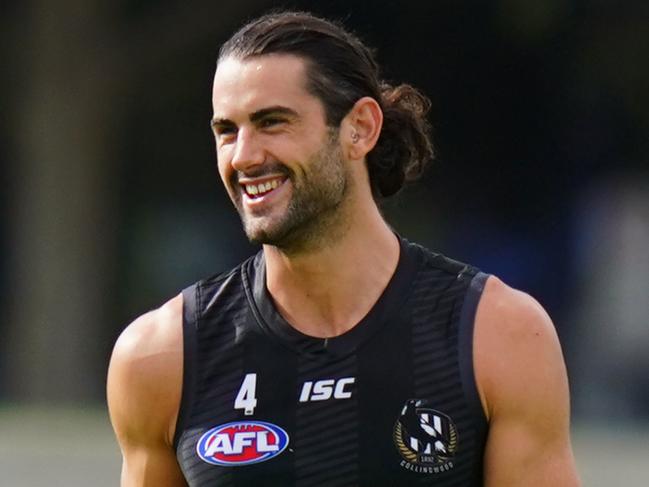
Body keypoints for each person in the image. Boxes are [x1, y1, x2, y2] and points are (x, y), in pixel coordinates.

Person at [107, 11, 580, 487]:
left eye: (272, 122)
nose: (244, 155)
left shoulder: (499, 337)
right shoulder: (162, 356)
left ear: (361, 128)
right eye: (227, 131)